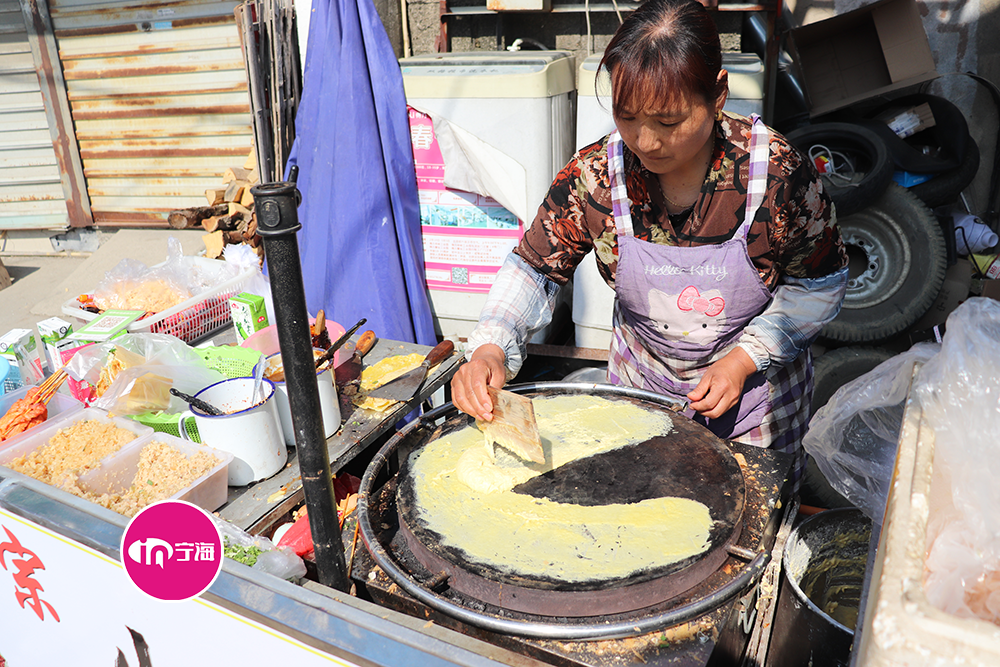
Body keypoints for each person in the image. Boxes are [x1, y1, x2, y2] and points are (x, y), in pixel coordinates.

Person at [450, 0, 848, 487]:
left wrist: (745, 359)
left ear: (718, 94)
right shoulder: (598, 176)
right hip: (642, 397)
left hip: (756, 410)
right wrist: (491, 345)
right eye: (626, 115)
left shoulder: (776, 177)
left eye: (668, 121)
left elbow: (820, 284)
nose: (646, 141)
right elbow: (534, 266)